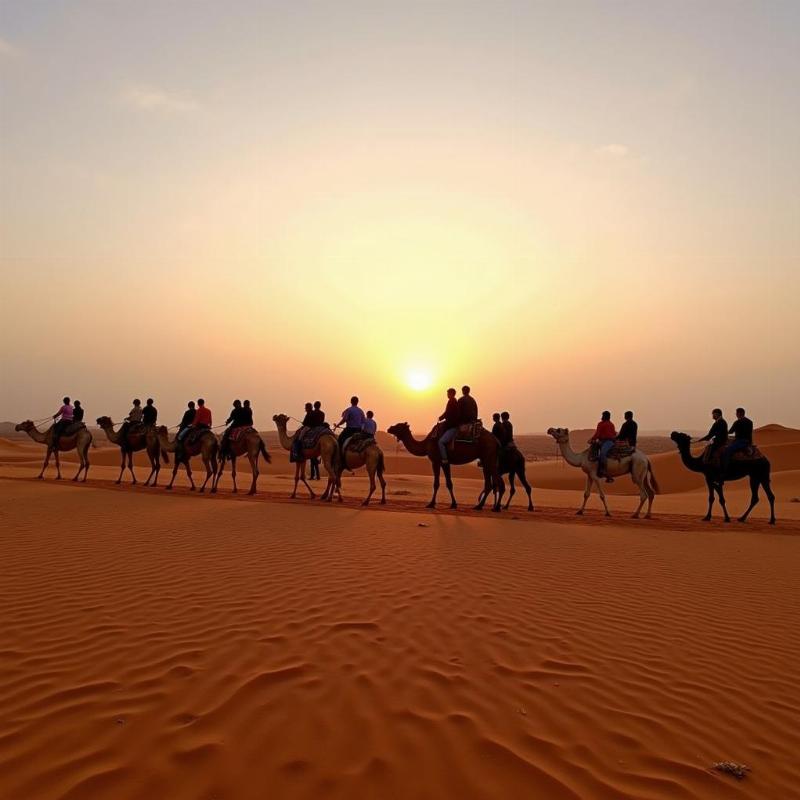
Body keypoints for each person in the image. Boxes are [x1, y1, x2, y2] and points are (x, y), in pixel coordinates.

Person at [722, 407, 754, 471]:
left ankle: (725, 469)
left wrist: (723, 431)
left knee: (727, 451)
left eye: (736, 413)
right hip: (747, 441)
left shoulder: (737, 422)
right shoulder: (750, 422)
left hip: (740, 441)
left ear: (739, 413)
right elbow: (750, 433)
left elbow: (731, 431)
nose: (736, 414)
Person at [591, 411, 617, 479]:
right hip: (603, 441)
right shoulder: (610, 424)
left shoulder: (605, 424)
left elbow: (597, 434)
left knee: (602, 453)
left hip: (608, 441)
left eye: (603, 415)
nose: (602, 417)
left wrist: (592, 439)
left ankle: (604, 470)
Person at [437, 388, 460, 465]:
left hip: (452, 426)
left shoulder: (452, 401)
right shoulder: (454, 401)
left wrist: (441, 418)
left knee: (441, 442)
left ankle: (444, 459)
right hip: (452, 425)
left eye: (448, 393)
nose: (447, 395)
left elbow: (447, 413)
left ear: (451, 394)